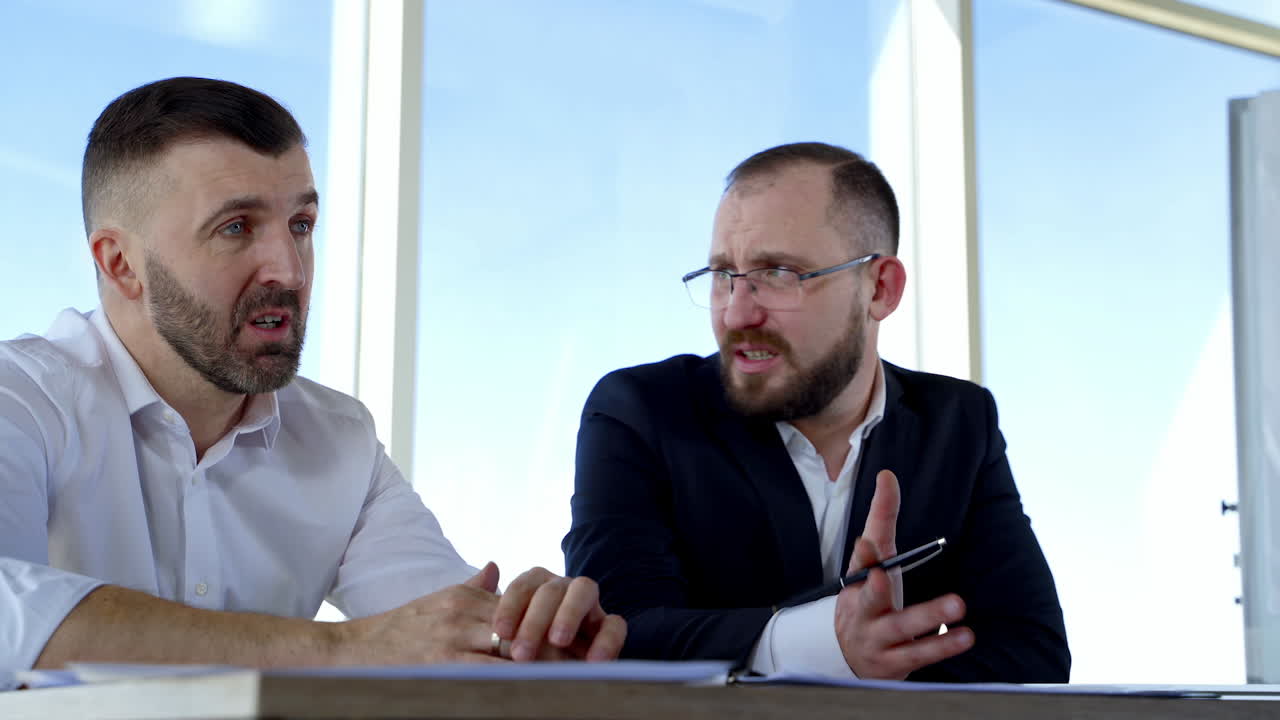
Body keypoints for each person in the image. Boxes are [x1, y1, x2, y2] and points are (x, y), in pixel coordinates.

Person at [0, 77, 624, 687]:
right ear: (120, 262)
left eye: (301, 224)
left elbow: (438, 631)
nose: (290, 270)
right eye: (237, 227)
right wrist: (344, 649)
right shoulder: (22, 399)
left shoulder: (339, 440)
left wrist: (532, 637)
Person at [563, 142, 1068, 681]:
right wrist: (825, 646)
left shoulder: (960, 422)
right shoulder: (638, 412)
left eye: (779, 273)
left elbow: (1033, 651)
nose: (736, 311)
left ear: (880, 288)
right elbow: (615, 636)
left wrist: (873, 666)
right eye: (721, 275)